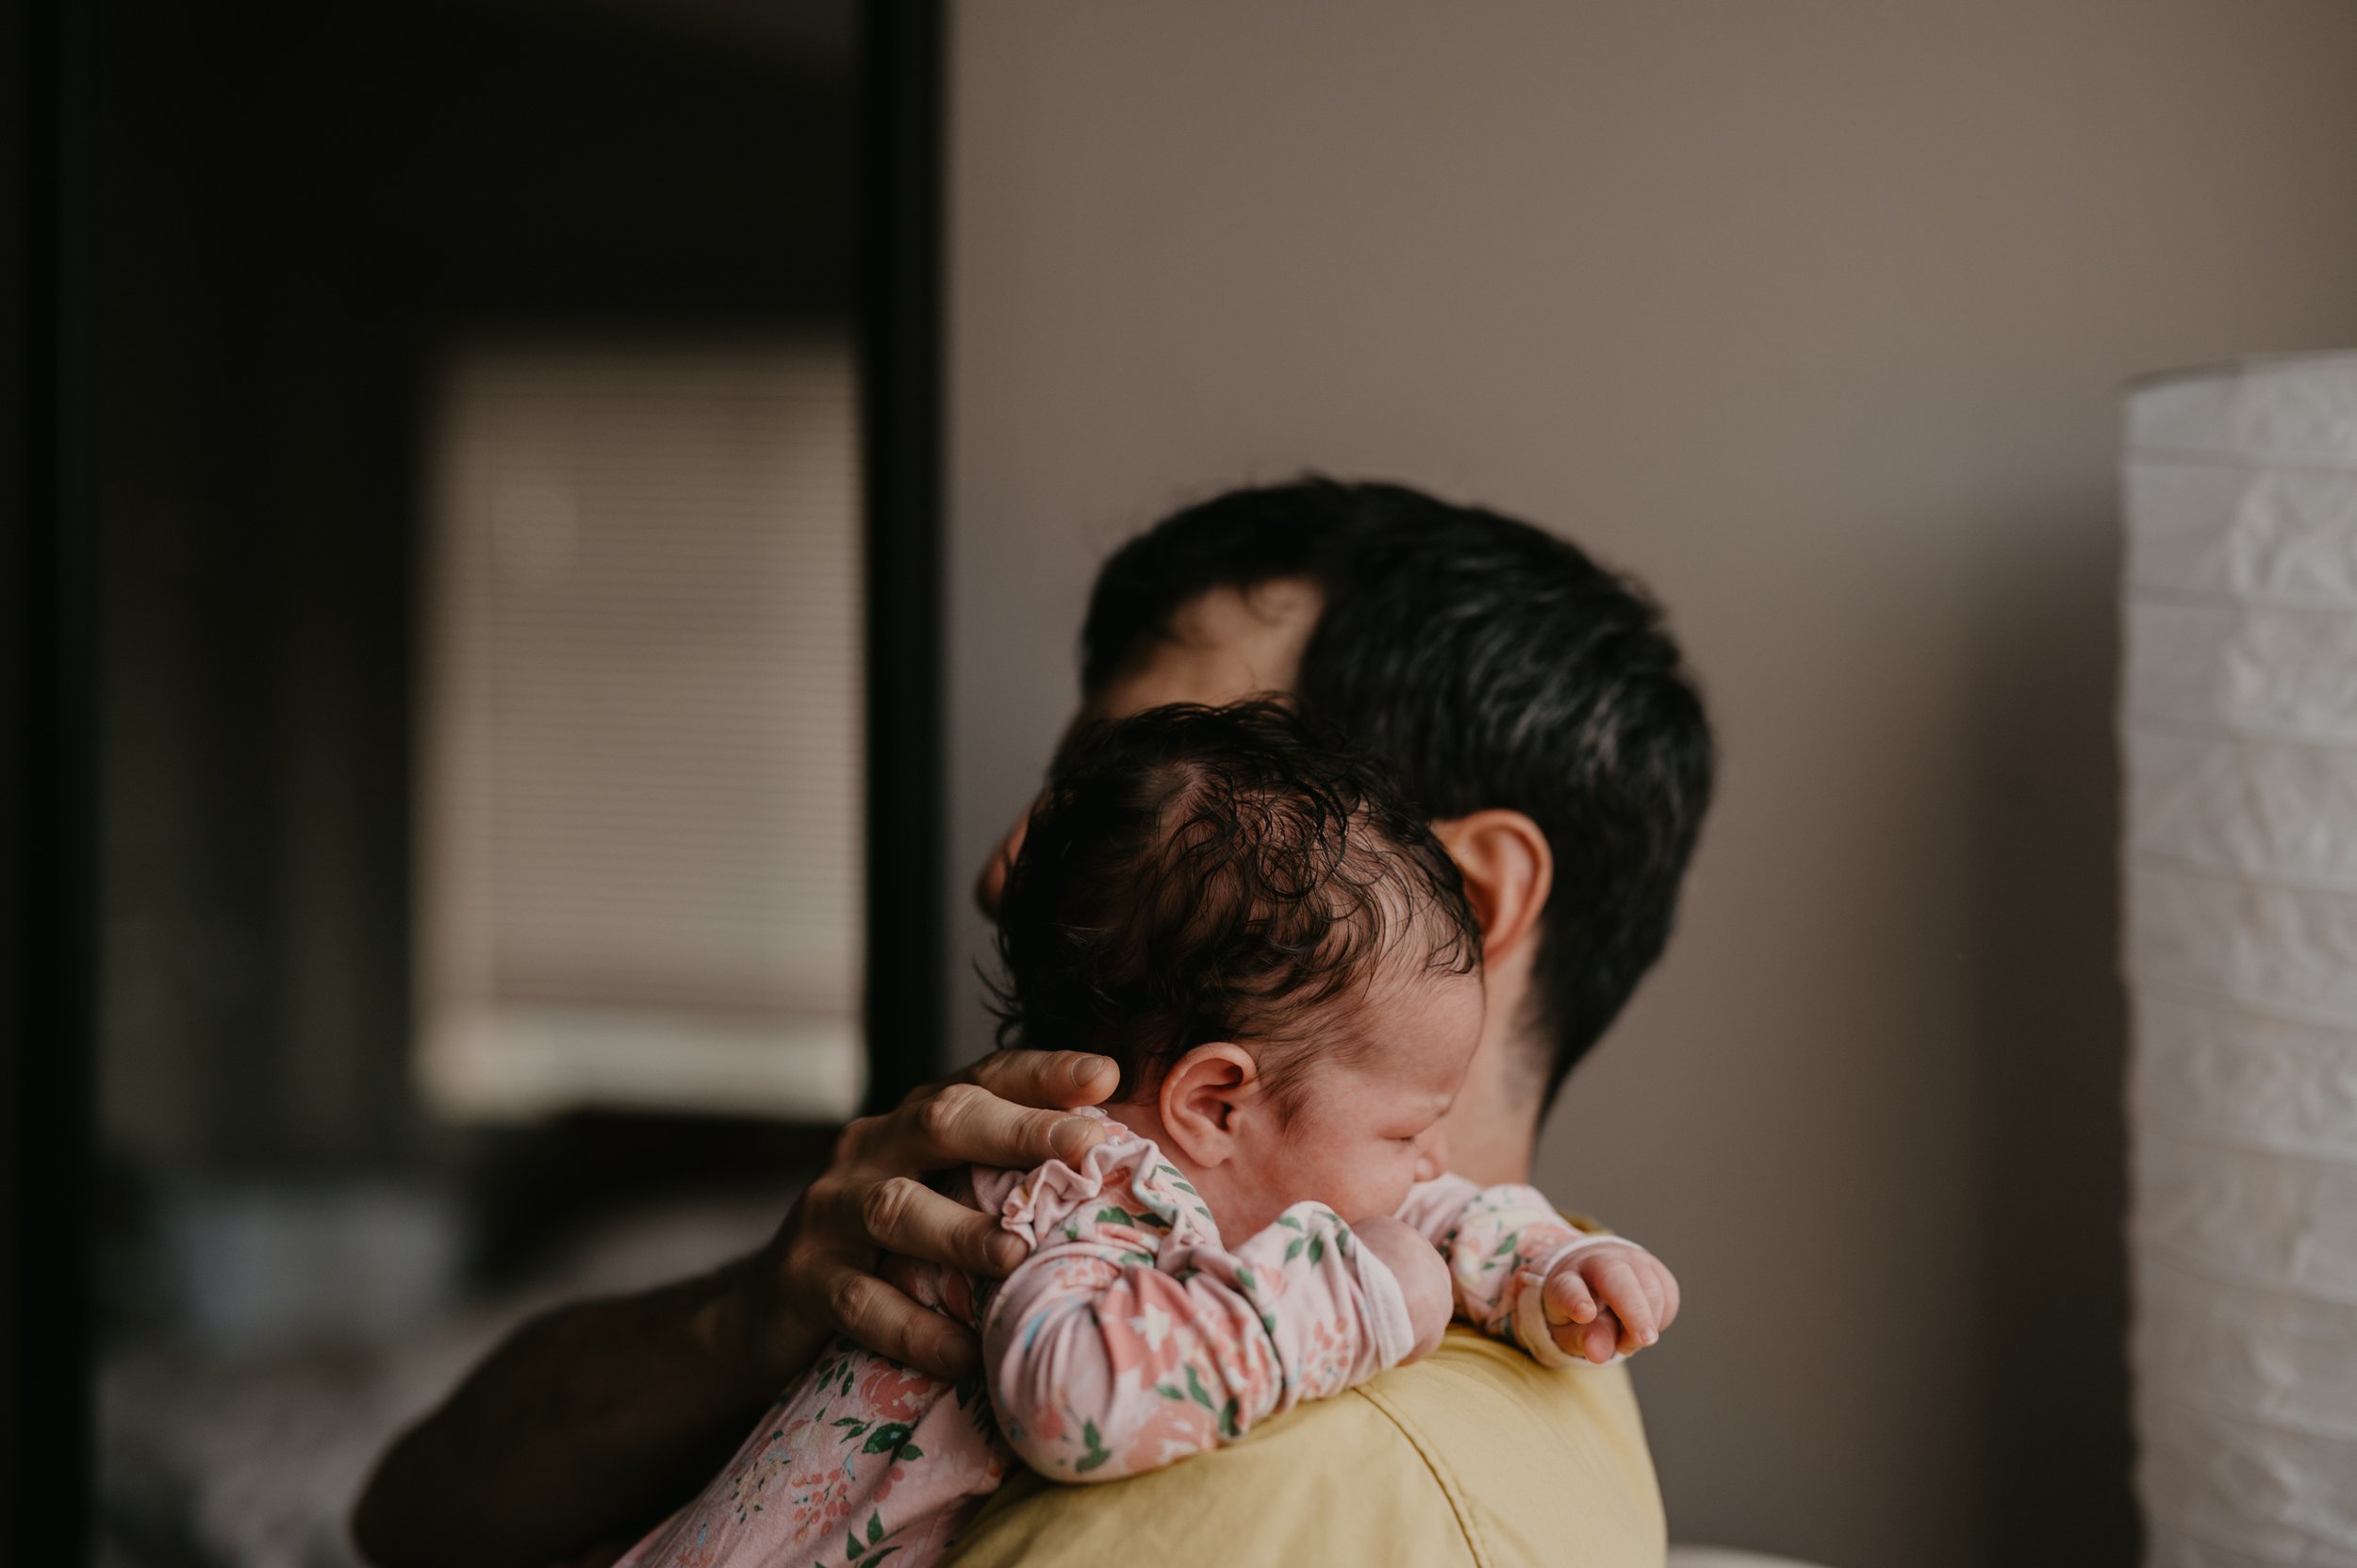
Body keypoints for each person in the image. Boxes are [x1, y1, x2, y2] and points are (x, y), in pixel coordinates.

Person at [353, 478, 1713, 1568]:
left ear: (1465, 899)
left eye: (1140, 782)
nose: (1006, 870)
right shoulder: (1072, 1214)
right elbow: (404, 1512)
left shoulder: (1298, 1463)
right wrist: (755, 1311)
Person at [609, 701, 1678, 1568]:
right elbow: (1068, 1398)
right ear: (1216, 1104)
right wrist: (1352, 1298)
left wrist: (1550, 1266)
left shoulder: (1236, 1173)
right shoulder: (1068, 1195)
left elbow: (1411, 1216)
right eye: (1410, 1128)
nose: (1432, 1164)